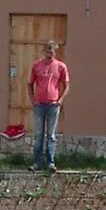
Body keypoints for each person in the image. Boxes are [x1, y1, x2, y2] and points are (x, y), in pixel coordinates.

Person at [28, 41, 69, 172]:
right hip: (39, 105)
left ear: (55, 52)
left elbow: (67, 85)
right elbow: (30, 83)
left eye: (52, 51)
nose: (49, 54)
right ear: (44, 51)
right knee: (39, 134)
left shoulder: (61, 66)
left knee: (51, 135)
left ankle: (50, 162)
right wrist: (33, 100)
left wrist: (60, 100)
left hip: (53, 105)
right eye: (47, 51)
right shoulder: (36, 66)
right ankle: (36, 162)